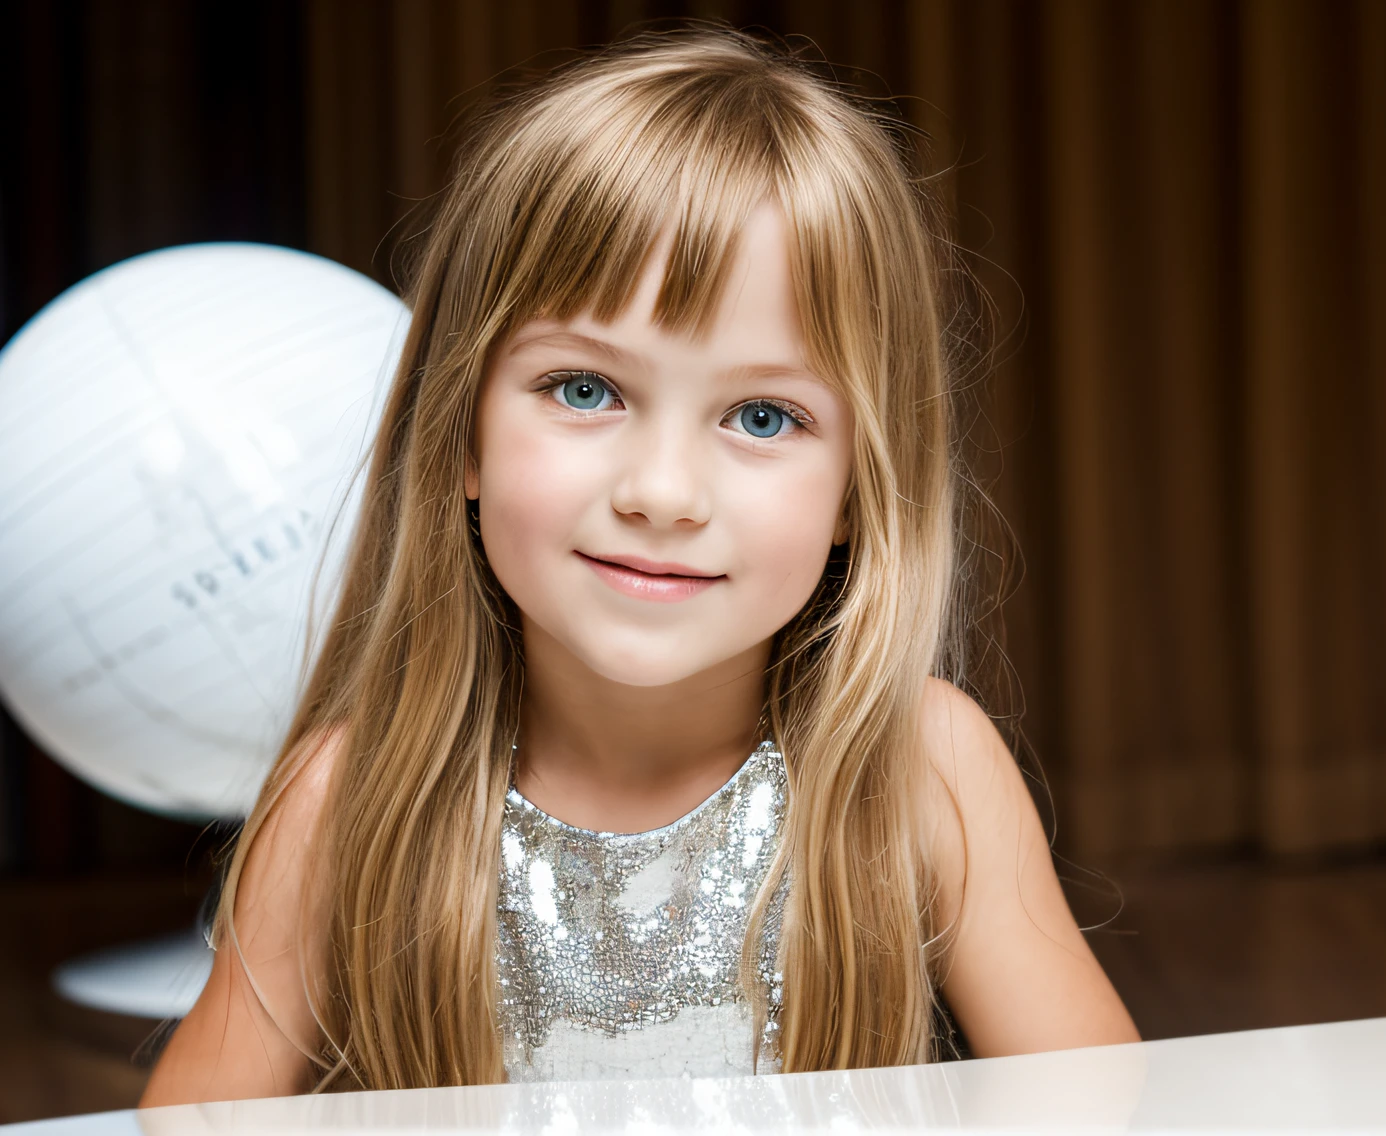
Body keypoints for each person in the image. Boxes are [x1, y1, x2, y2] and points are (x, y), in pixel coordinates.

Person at [140, 28, 1137, 1104]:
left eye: (762, 415)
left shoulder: (922, 767)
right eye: (583, 388)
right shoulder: (350, 795)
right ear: (461, 434)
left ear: (860, 486)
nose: (662, 491)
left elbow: (1104, 1108)